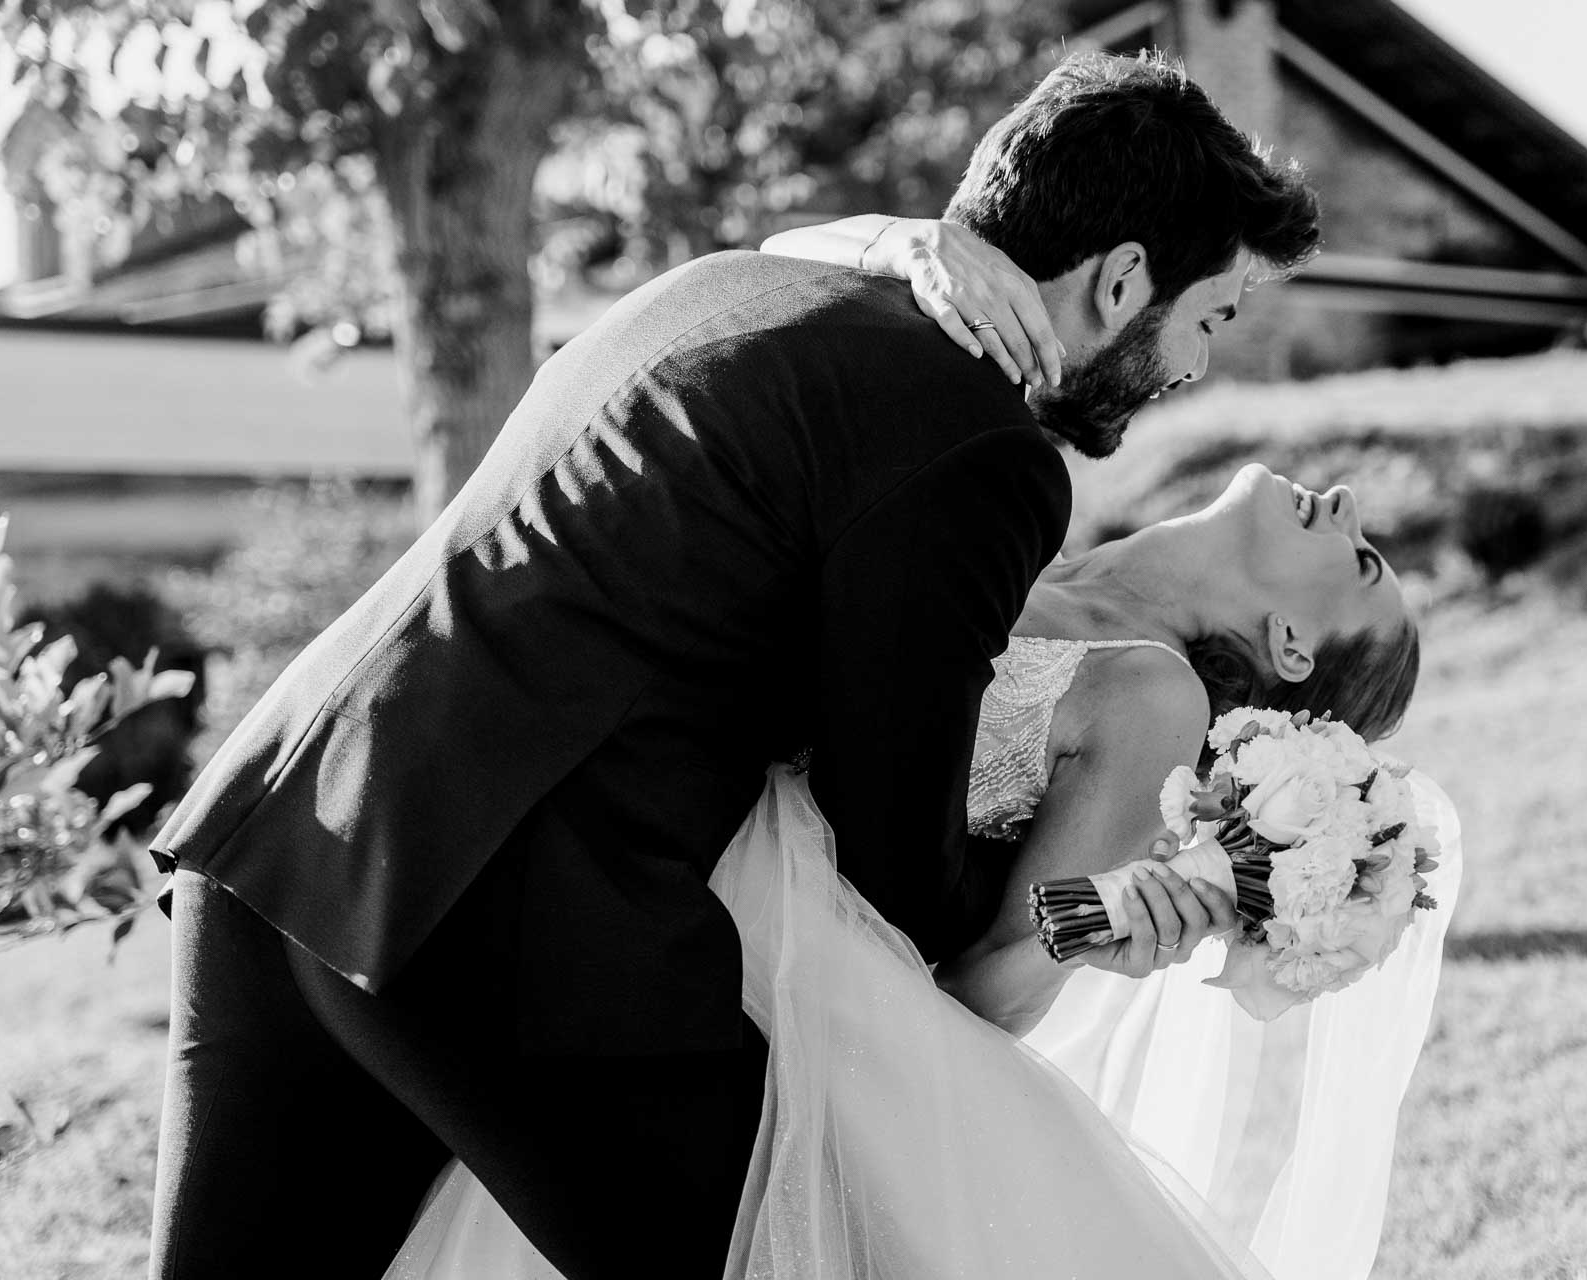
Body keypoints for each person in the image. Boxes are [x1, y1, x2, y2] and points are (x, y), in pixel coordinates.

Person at [145, 49, 1320, 1280]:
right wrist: (1093, 901)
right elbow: (892, 860)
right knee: (796, 1248)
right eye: (1210, 318)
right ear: (1123, 278)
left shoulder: (725, 285)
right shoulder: (977, 443)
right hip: (502, 903)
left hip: (281, 820)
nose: (1194, 368)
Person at [385, 461, 1457, 1280]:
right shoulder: (1033, 538)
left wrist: (1094, 917)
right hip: (641, 828)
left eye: (1360, 561)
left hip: (747, 946)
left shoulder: (1151, 698)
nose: (1348, 502)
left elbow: (988, 995)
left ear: (1291, 644)